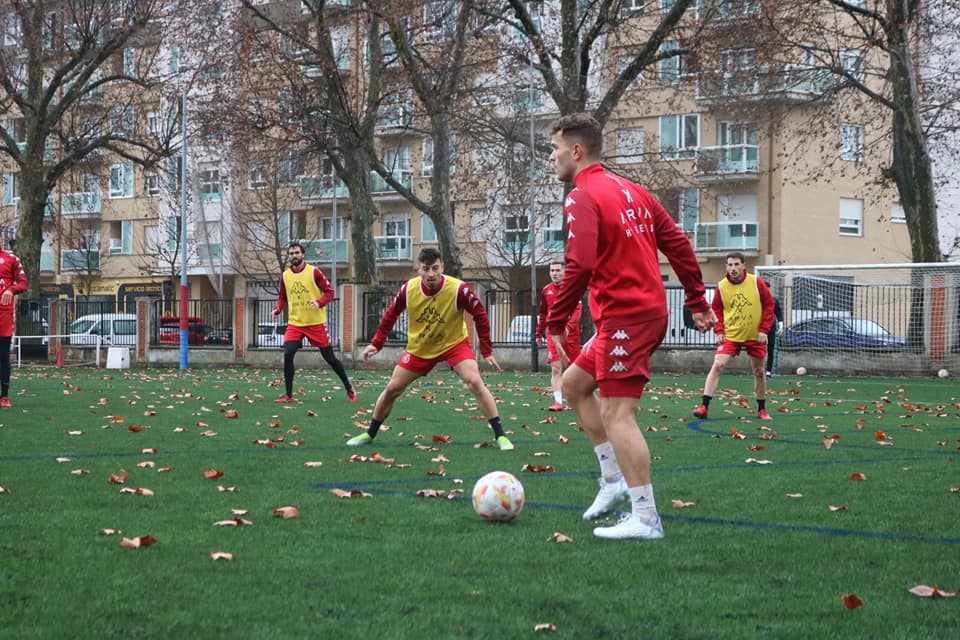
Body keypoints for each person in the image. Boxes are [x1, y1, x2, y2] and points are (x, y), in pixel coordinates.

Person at [546, 113, 716, 540]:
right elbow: (677, 242)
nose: (552, 156)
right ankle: (613, 482)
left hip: (628, 316)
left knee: (618, 413)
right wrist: (694, 299)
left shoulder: (580, 195)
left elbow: (579, 264)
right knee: (573, 385)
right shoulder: (635, 191)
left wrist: (555, 317)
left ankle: (646, 518)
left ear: (577, 151)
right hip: (638, 312)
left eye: (555, 148)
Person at [347, 247, 513, 450]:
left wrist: (486, 350)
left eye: (435, 268)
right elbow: (391, 314)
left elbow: (480, 314)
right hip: (420, 348)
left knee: (475, 382)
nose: (432, 274)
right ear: (418, 269)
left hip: (453, 344)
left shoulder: (458, 289)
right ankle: (369, 433)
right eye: (426, 269)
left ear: (442, 266)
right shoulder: (408, 289)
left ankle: (500, 436)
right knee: (392, 389)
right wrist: (376, 343)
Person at [693, 252, 775, 420]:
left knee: (759, 371)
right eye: (730, 265)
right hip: (731, 335)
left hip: (755, 335)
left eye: (737, 264)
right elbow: (716, 309)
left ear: (743, 265)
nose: (733, 268)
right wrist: (719, 331)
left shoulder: (756, 282)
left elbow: (769, 305)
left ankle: (761, 409)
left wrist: (764, 330)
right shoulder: (721, 286)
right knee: (718, 365)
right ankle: (704, 406)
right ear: (726, 267)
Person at [272, 242, 357, 404]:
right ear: (288, 256)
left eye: (297, 252)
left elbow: (330, 292)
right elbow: (283, 297)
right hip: (295, 323)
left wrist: (319, 302)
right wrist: (278, 309)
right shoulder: (285, 276)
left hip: (315, 323)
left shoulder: (314, 272)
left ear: (303, 255)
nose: (294, 256)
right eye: (291, 253)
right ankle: (288, 395)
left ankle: (349, 387)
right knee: (288, 353)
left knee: (330, 358)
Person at [535, 260, 582, 411]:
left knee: (573, 368)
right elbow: (543, 313)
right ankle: (558, 402)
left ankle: (579, 397)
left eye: (557, 270)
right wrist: (539, 332)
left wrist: (568, 328)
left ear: (564, 272)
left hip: (571, 336)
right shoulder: (546, 291)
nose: (554, 273)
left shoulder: (572, 289)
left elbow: (577, 310)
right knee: (556, 368)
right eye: (552, 271)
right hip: (552, 334)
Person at [0, 242, 28, 408]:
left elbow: (23, 284)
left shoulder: (11, 259)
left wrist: (11, 290)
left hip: (4, 314)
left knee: (3, 356)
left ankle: (4, 396)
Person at [765, 296, 783, 379]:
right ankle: (758, 370)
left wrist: (781, 326)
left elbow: (779, 313)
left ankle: (768, 371)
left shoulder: (774, 300)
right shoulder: (756, 299)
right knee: (757, 350)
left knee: (770, 350)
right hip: (759, 330)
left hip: (771, 329)